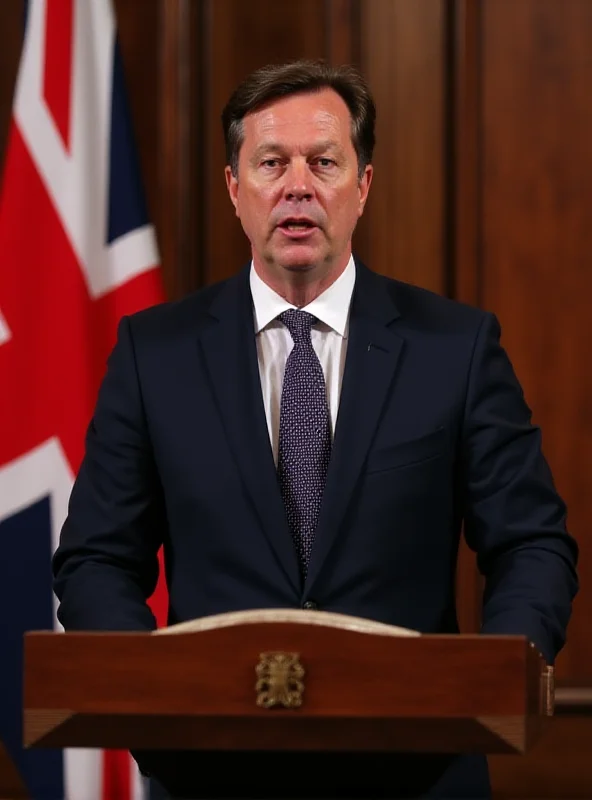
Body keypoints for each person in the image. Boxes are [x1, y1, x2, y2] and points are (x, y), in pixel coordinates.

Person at [52, 60, 578, 799]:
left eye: (324, 162)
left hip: (417, 772)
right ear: (235, 190)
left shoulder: (454, 349)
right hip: (212, 773)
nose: (298, 184)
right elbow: (97, 560)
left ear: (361, 187)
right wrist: (158, 709)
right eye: (271, 162)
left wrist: (491, 681)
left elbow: (531, 542)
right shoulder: (154, 355)